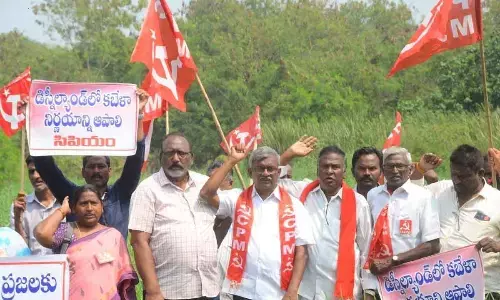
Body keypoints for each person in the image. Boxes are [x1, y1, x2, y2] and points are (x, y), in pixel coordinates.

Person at [200, 145, 314, 300]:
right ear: (250, 172)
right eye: (260, 169)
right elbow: (207, 193)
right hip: (242, 291)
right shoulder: (237, 199)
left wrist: (292, 291)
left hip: (278, 293)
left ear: (278, 172)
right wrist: (231, 161)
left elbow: (302, 252)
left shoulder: (294, 206)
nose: (265, 173)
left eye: (270, 169)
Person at [31, 89, 149, 239]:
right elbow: (46, 167)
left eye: (101, 167)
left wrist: (138, 115)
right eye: (91, 167)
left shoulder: (121, 194)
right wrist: (32, 121)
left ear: (110, 171)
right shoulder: (72, 195)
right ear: (83, 172)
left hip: (115, 262)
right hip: (80, 261)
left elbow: (135, 160)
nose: (96, 171)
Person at [129, 132, 219, 300]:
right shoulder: (148, 189)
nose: (176, 158)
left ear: (191, 157)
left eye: (181, 153)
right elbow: (139, 242)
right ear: (161, 157)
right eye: (170, 153)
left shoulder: (204, 184)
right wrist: (153, 290)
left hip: (210, 288)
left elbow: (223, 217)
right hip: (169, 291)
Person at [280, 137, 372, 300]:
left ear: (343, 171)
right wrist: (288, 155)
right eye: (325, 166)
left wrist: (369, 290)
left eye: (335, 167)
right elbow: (271, 180)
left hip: (344, 292)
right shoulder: (303, 192)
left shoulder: (358, 203)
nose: (330, 171)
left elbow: (366, 250)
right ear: (318, 170)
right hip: (306, 290)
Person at [34, 184, 138, 299]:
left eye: (94, 203)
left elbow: (125, 282)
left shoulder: (114, 236)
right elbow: (41, 233)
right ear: (73, 208)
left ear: (102, 207)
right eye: (83, 203)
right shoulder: (67, 231)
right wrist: (62, 211)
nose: (89, 208)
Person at [363, 147, 440, 299]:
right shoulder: (373, 195)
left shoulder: (423, 197)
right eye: (390, 166)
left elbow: (433, 245)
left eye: (400, 166)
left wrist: (393, 261)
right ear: (383, 169)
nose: (395, 170)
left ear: (410, 168)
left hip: (411, 283)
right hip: (377, 282)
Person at [426, 145, 500, 298]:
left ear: (480, 173)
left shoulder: (497, 201)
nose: (457, 181)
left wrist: (497, 246)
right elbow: (409, 193)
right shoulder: (441, 190)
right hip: (440, 290)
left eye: (463, 176)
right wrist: (420, 169)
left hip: (483, 291)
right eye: (454, 175)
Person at [10, 156, 59, 255]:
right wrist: (17, 220)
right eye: (32, 171)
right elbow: (20, 250)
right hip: (31, 268)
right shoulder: (21, 206)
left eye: (40, 170)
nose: (36, 176)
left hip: (61, 267)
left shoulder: (65, 204)